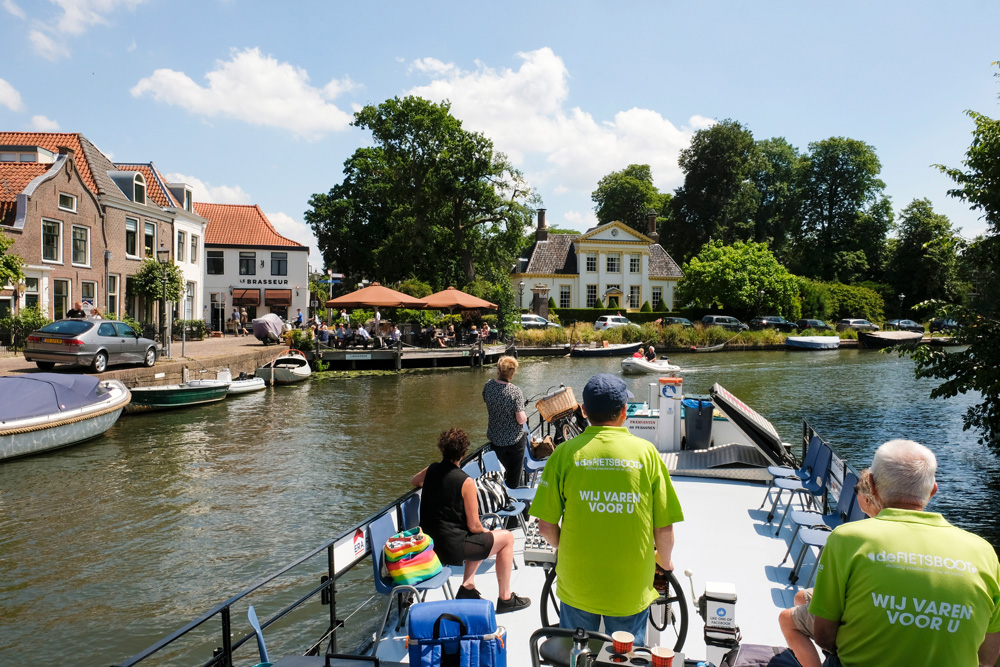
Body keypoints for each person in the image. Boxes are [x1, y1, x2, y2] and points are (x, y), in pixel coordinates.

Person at [809, 440, 1000, 667]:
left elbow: (823, 635)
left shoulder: (847, 538)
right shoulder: (983, 552)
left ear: (871, 483)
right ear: (933, 490)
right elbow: (987, 658)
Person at [530, 374, 684, 645]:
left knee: (575, 656)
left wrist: (564, 550)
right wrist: (665, 561)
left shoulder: (563, 455)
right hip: (631, 585)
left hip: (577, 581)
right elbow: (664, 529)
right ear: (624, 411)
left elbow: (546, 526)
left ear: (584, 411)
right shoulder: (647, 454)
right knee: (624, 659)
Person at [412, 428, 531, 614]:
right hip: (451, 548)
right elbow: (474, 526)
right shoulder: (466, 482)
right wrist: (488, 532)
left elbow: (415, 481)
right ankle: (506, 598)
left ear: (442, 449)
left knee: (477, 537)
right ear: (464, 452)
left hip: (430, 545)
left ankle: (468, 586)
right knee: (505, 538)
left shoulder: (433, 469)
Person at [778, 469, 883, 667]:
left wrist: (827, 639)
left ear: (868, 499)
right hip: (862, 596)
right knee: (801, 597)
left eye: (856, 490)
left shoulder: (851, 535)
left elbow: (838, 588)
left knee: (786, 618)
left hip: (857, 605)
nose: (855, 494)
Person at [482, 356, 528, 489]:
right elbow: (520, 419)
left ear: (498, 370)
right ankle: (516, 500)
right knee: (514, 477)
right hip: (513, 442)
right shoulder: (515, 391)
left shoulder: (489, 386)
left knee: (501, 472)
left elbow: (486, 399)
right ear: (512, 372)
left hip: (495, 440)